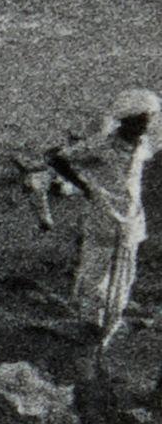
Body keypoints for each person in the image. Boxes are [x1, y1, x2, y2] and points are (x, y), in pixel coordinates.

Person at [58, 90, 162, 339]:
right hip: (102, 221)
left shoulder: (143, 147)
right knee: (94, 279)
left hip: (130, 225)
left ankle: (106, 334)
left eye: (149, 120)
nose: (146, 126)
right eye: (143, 120)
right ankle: (86, 331)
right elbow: (59, 158)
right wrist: (89, 188)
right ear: (129, 120)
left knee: (123, 282)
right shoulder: (101, 145)